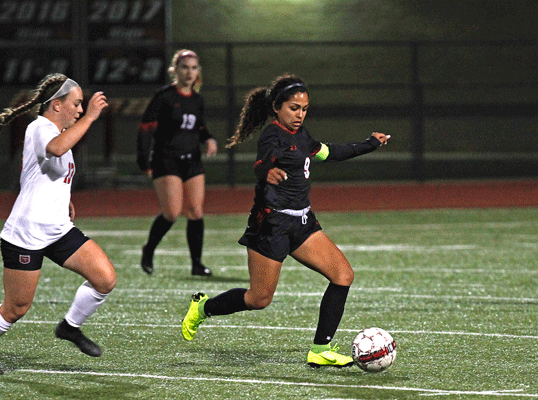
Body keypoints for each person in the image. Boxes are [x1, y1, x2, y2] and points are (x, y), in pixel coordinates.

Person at [181, 74, 391, 368]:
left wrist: (369, 144)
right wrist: (266, 172)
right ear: (277, 107)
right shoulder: (272, 135)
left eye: (304, 109)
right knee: (258, 299)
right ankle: (203, 307)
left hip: (303, 224)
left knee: (343, 276)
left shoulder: (302, 136)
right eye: (294, 108)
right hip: (271, 225)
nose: (300, 114)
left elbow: (330, 152)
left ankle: (320, 349)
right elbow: (262, 162)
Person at [0, 73, 116, 375]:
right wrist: (93, 118)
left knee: (104, 279)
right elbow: (55, 149)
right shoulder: (39, 127)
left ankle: (70, 327)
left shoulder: (60, 133)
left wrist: (64, 199)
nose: (81, 110)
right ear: (56, 104)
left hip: (57, 230)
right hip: (26, 234)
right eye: (76, 104)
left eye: (83, 106)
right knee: (16, 308)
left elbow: (46, 172)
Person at [136, 49, 218, 276]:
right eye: (184, 67)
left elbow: (199, 128)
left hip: (191, 159)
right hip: (166, 159)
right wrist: (144, 161)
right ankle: (148, 250)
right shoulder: (164, 97)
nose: (189, 72)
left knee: (195, 210)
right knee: (172, 212)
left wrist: (209, 139)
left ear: (198, 71)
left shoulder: (198, 100)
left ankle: (197, 264)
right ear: (175, 70)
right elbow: (145, 129)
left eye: (193, 67)